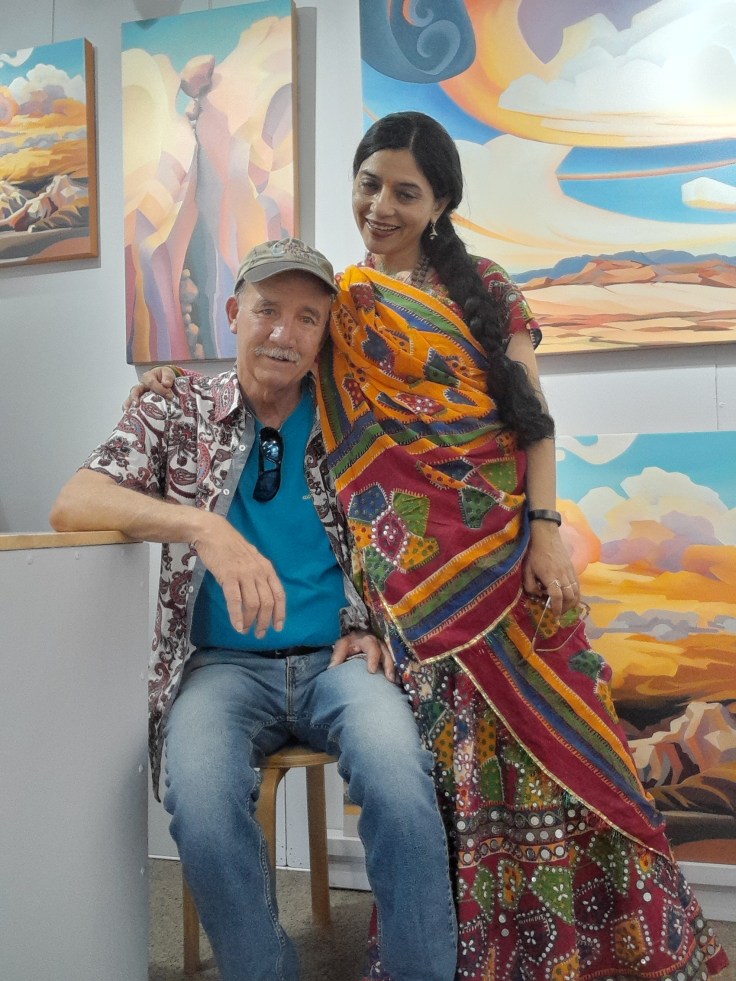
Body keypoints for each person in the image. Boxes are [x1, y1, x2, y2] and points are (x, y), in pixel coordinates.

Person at [134, 115, 728, 980]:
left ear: (441, 201)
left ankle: (597, 943)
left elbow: (533, 420)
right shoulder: (345, 306)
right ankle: (481, 951)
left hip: (509, 566)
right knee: (451, 781)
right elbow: (274, 365)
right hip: (410, 593)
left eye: (405, 191)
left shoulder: (486, 289)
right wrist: (169, 382)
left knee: (570, 749)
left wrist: (546, 530)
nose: (381, 205)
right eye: (368, 183)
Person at [50, 237, 458, 981]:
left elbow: (410, 529)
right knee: (200, 796)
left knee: (402, 779)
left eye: (307, 318)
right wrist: (204, 528)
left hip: (340, 660)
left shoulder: (352, 418)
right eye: (268, 310)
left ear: (323, 334)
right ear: (234, 312)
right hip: (223, 667)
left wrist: (375, 624)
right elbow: (75, 501)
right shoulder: (176, 407)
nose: (283, 333)